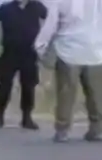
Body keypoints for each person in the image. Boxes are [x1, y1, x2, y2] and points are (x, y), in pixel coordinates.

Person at [34, 0, 102, 142]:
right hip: (95, 51)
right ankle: (97, 129)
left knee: (65, 93)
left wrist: (40, 45)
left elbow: (51, 24)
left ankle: (62, 130)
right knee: (96, 94)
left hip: (68, 51)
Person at [0, 0, 48, 130]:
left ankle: (27, 118)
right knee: (4, 85)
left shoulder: (37, 7)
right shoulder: (6, 8)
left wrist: (43, 40)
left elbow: (51, 21)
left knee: (29, 86)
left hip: (29, 53)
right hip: (9, 53)